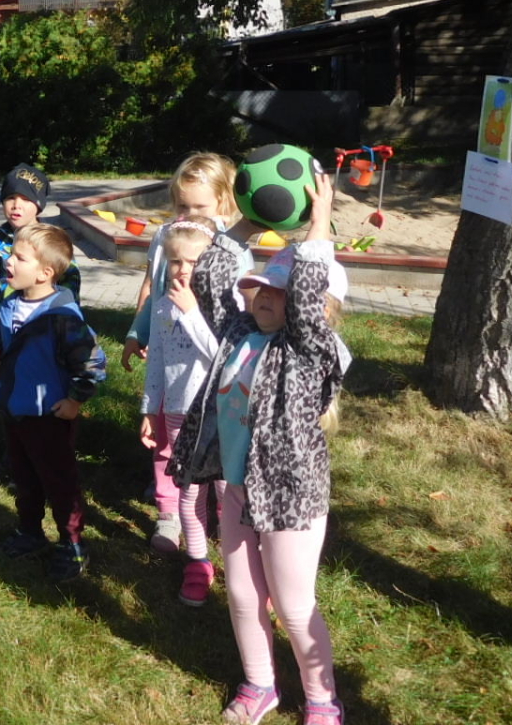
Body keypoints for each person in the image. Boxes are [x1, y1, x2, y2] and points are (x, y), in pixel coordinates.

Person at [171, 172, 347, 725]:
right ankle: (260, 685)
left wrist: (318, 224)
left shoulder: (309, 350)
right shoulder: (240, 333)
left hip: (291, 497)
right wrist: (248, 221)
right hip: (239, 491)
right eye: (263, 287)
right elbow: (211, 277)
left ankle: (322, 700)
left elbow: (308, 297)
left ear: (311, 306)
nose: (266, 296)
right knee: (244, 597)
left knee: (293, 606)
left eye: (279, 291)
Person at [122, 151, 255, 554]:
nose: (189, 215)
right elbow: (153, 287)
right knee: (166, 446)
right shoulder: (165, 238)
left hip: (214, 374)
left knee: (219, 450)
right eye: (182, 206)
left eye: (200, 207)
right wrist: (137, 331)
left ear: (224, 203)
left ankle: (221, 515)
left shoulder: (230, 248)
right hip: (173, 367)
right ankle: (169, 513)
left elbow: (240, 313)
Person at [0, 222, 107, 583]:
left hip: (50, 416)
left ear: (45, 273)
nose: (9, 261)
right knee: (24, 477)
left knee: (59, 481)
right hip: (16, 411)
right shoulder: (11, 304)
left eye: (19, 258)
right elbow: (10, 344)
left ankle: (72, 543)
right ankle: (30, 531)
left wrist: (74, 401)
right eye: (11, 254)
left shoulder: (63, 318)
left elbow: (92, 363)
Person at [136, 216, 221, 605]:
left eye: (193, 261)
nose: (183, 269)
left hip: (217, 414)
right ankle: (198, 562)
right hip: (176, 412)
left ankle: (245, 565)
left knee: (228, 494)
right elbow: (156, 363)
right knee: (190, 495)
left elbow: (222, 357)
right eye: (175, 261)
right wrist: (149, 410)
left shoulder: (218, 307)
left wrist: (191, 311)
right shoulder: (161, 307)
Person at [0, 164, 81, 364]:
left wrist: (69, 332)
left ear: (39, 205)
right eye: (10, 198)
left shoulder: (52, 242)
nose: (17, 205)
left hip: (48, 333)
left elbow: (71, 289)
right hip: (7, 330)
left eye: (26, 199)